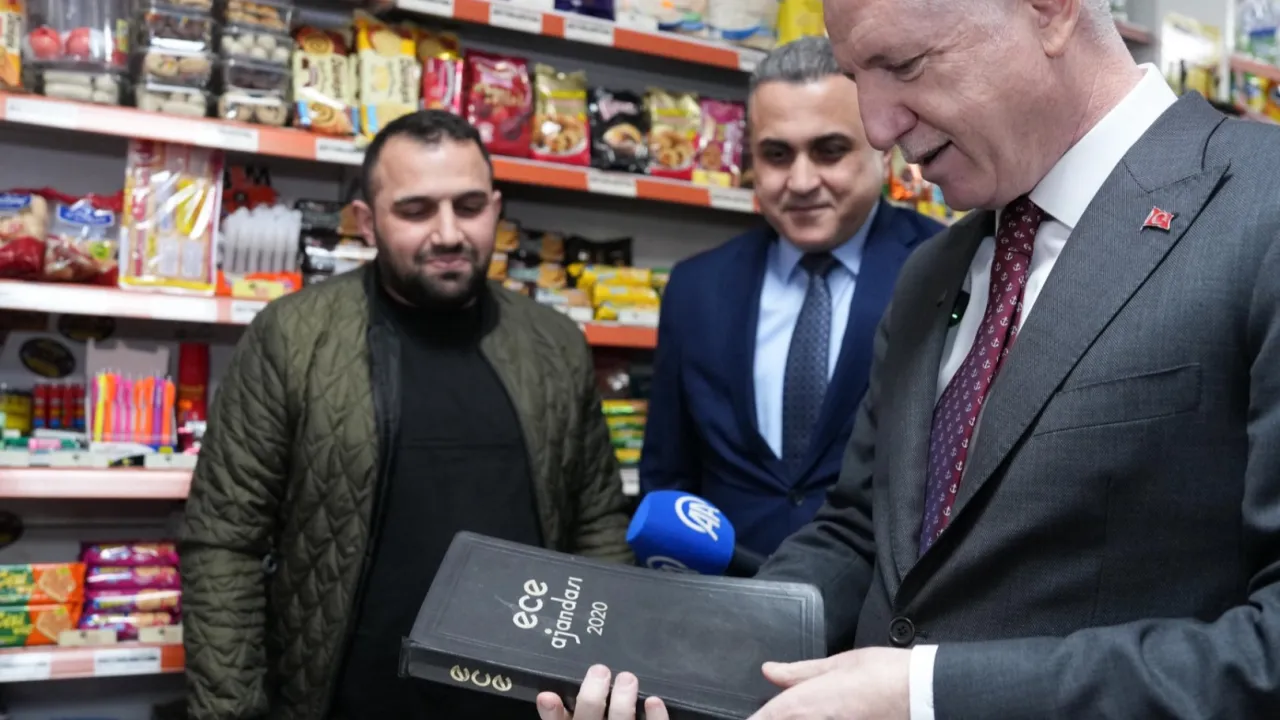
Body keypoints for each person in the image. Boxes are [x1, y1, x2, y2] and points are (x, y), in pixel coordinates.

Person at [537, 0, 1280, 717]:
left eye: (905, 65)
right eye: (858, 78)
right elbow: (866, 528)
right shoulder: (936, 268)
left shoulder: (1259, 209)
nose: (877, 127)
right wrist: (689, 658)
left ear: (1049, 10)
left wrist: (925, 695)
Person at [179, 109, 633, 720]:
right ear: (366, 221)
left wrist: (606, 678)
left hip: (532, 706)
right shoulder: (291, 337)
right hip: (347, 704)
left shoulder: (554, 345)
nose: (448, 233)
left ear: (496, 208)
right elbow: (223, 542)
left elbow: (597, 523)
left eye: (469, 207)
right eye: (416, 211)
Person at [639, 36, 945, 558]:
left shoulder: (945, 268)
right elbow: (669, 474)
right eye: (777, 155)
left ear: (880, 147)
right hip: (727, 591)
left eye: (830, 150)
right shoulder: (695, 288)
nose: (801, 182)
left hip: (881, 597)